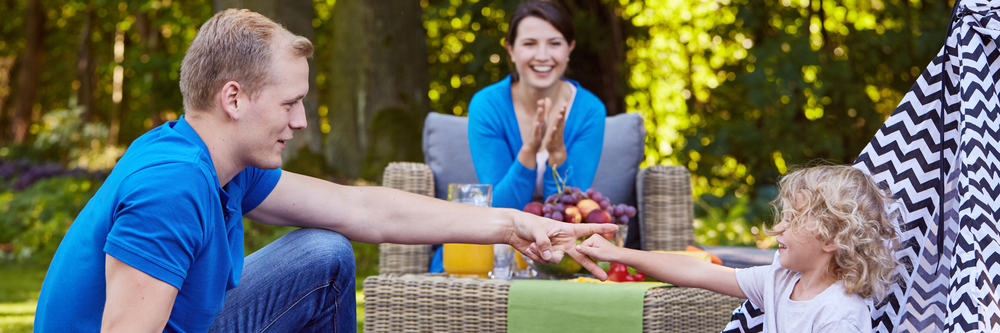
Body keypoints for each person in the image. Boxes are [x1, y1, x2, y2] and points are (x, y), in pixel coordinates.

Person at [32, 9, 617, 333]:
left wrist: (513, 224)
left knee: (325, 253)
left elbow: (365, 209)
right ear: (233, 99)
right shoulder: (172, 183)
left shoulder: (224, 165)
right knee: (323, 255)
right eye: (289, 104)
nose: (302, 121)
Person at [577, 165, 900, 332]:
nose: (778, 228)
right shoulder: (780, 280)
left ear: (832, 239)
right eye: (783, 217)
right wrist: (618, 253)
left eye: (793, 220)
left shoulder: (839, 317)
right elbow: (696, 271)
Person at [467, 1, 606, 210]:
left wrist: (558, 155)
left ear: (570, 49)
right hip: (499, 238)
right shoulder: (487, 106)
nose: (542, 56)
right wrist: (529, 151)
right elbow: (499, 210)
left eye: (555, 43)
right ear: (511, 50)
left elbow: (569, 211)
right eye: (529, 44)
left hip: (562, 240)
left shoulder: (590, 111)